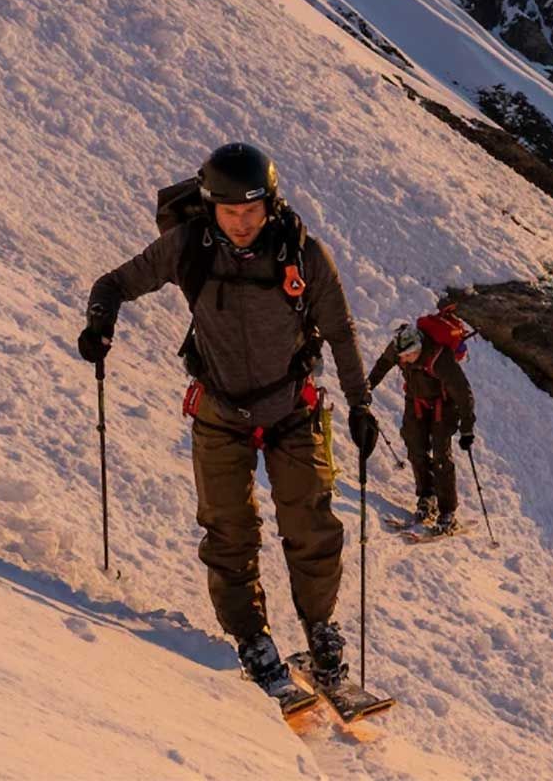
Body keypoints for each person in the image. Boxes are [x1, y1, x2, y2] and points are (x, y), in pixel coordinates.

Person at [76, 143, 379, 704]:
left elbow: (341, 332)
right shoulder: (189, 245)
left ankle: (320, 635)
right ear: (211, 207)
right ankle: (253, 640)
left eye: (252, 210)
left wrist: (360, 406)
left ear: (271, 204)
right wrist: (100, 325)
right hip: (219, 411)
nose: (242, 223)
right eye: (230, 211)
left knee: (311, 526)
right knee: (228, 532)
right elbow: (113, 283)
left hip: (293, 407)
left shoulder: (304, 255)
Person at [367, 315, 476, 535]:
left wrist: (467, 429)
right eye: (402, 356)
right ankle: (427, 497)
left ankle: (447, 513)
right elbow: (383, 364)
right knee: (415, 447)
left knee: (441, 456)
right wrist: (366, 388)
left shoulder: (439, 358)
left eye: (409, 356)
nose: (404, 360)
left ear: (419, 348)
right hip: (415, 401)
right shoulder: (399, 347)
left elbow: (464, 394)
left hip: (443, 407)